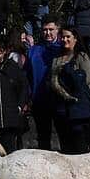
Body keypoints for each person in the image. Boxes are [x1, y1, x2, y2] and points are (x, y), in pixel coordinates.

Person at [50, 27, 90, 154]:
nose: (65, 40)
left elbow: (88, 79)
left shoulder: (81, 57)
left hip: (78, 111)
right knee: (66, 148)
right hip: (61, 110)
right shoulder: (56, 59)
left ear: (75, 39)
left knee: (80, 147)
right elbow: (53, 80)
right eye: (63, 37)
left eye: (68, 37)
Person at [25, 18, 63, 149]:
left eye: (51, 30)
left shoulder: (63, 48)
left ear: (57, 30)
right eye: (45, 30)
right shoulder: (33, 51)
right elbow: (27, 76)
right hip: (39, 101)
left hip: (59, 101)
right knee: (43, 139)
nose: (48, 33)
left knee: (64, 137)